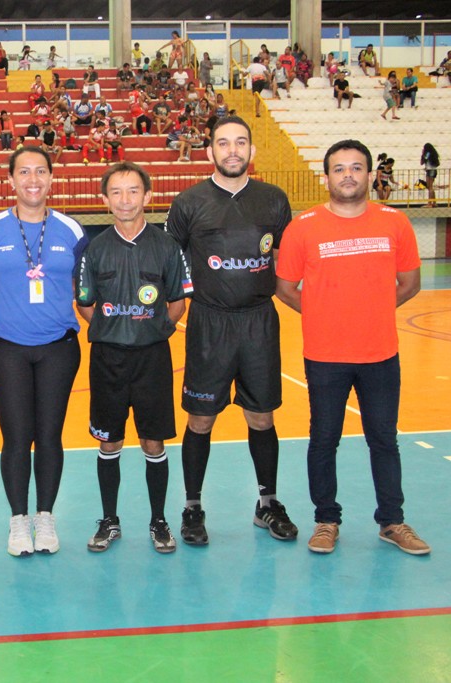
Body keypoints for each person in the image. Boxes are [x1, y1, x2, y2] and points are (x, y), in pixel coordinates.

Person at [275, 138, 430, 556]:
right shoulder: (303, 227)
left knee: (384, 440)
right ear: (326, 177)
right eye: (340, 168)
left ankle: (392, 521)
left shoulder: (395, 222)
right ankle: (326, 520)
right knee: (324, 440)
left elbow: (410, 283)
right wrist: (323, 314)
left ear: (370, 175)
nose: (348, 175)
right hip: (325, 356)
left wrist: (371, 311)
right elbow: (285, 287)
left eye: (357, 167)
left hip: (381, 354)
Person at [165, 116, 298, 546]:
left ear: (252, 150)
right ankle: (192, 507)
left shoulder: (274, 200)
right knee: (201, 419)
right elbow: (169, 262)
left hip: (259, 321)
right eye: (223, 143)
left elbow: (289, 260)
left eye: (241, 142)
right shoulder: (188, 203)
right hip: (210, 322)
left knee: (262, 416)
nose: (233, 150)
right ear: (210, 152)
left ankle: (267, 502)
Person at [0, 147, 87, 556]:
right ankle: (18, 520)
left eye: (40, 171)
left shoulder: (72, 231)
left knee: (50, 436)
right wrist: (4, 308)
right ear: (11, 179)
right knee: (17, 437)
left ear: (51, 178)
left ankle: (45, 516)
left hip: (59, 349)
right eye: (24, 172)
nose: (32, 179)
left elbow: (81, 285)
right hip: (6, 349)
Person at [76, 161, 193, 554]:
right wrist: (113, 329)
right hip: (107, 360)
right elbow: (86, 304)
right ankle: (109, 520)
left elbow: (177, 303)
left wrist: (152, 330)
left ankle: (159, 521)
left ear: (148, 196)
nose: (125, 199)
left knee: (153, 442)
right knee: (109, 442)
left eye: (133, 191)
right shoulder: (95, 249)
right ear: (105, 200)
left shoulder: (167, 246)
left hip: (152, 360)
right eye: (116, 192)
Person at [420, 143, 440, 207]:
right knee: (430, 187)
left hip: (430, 171)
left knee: (430, 187)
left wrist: (422, 154)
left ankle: (429, 203)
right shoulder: (433, 154)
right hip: (433, 170)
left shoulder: (427, 154)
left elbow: (422, 162)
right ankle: (434, 202)